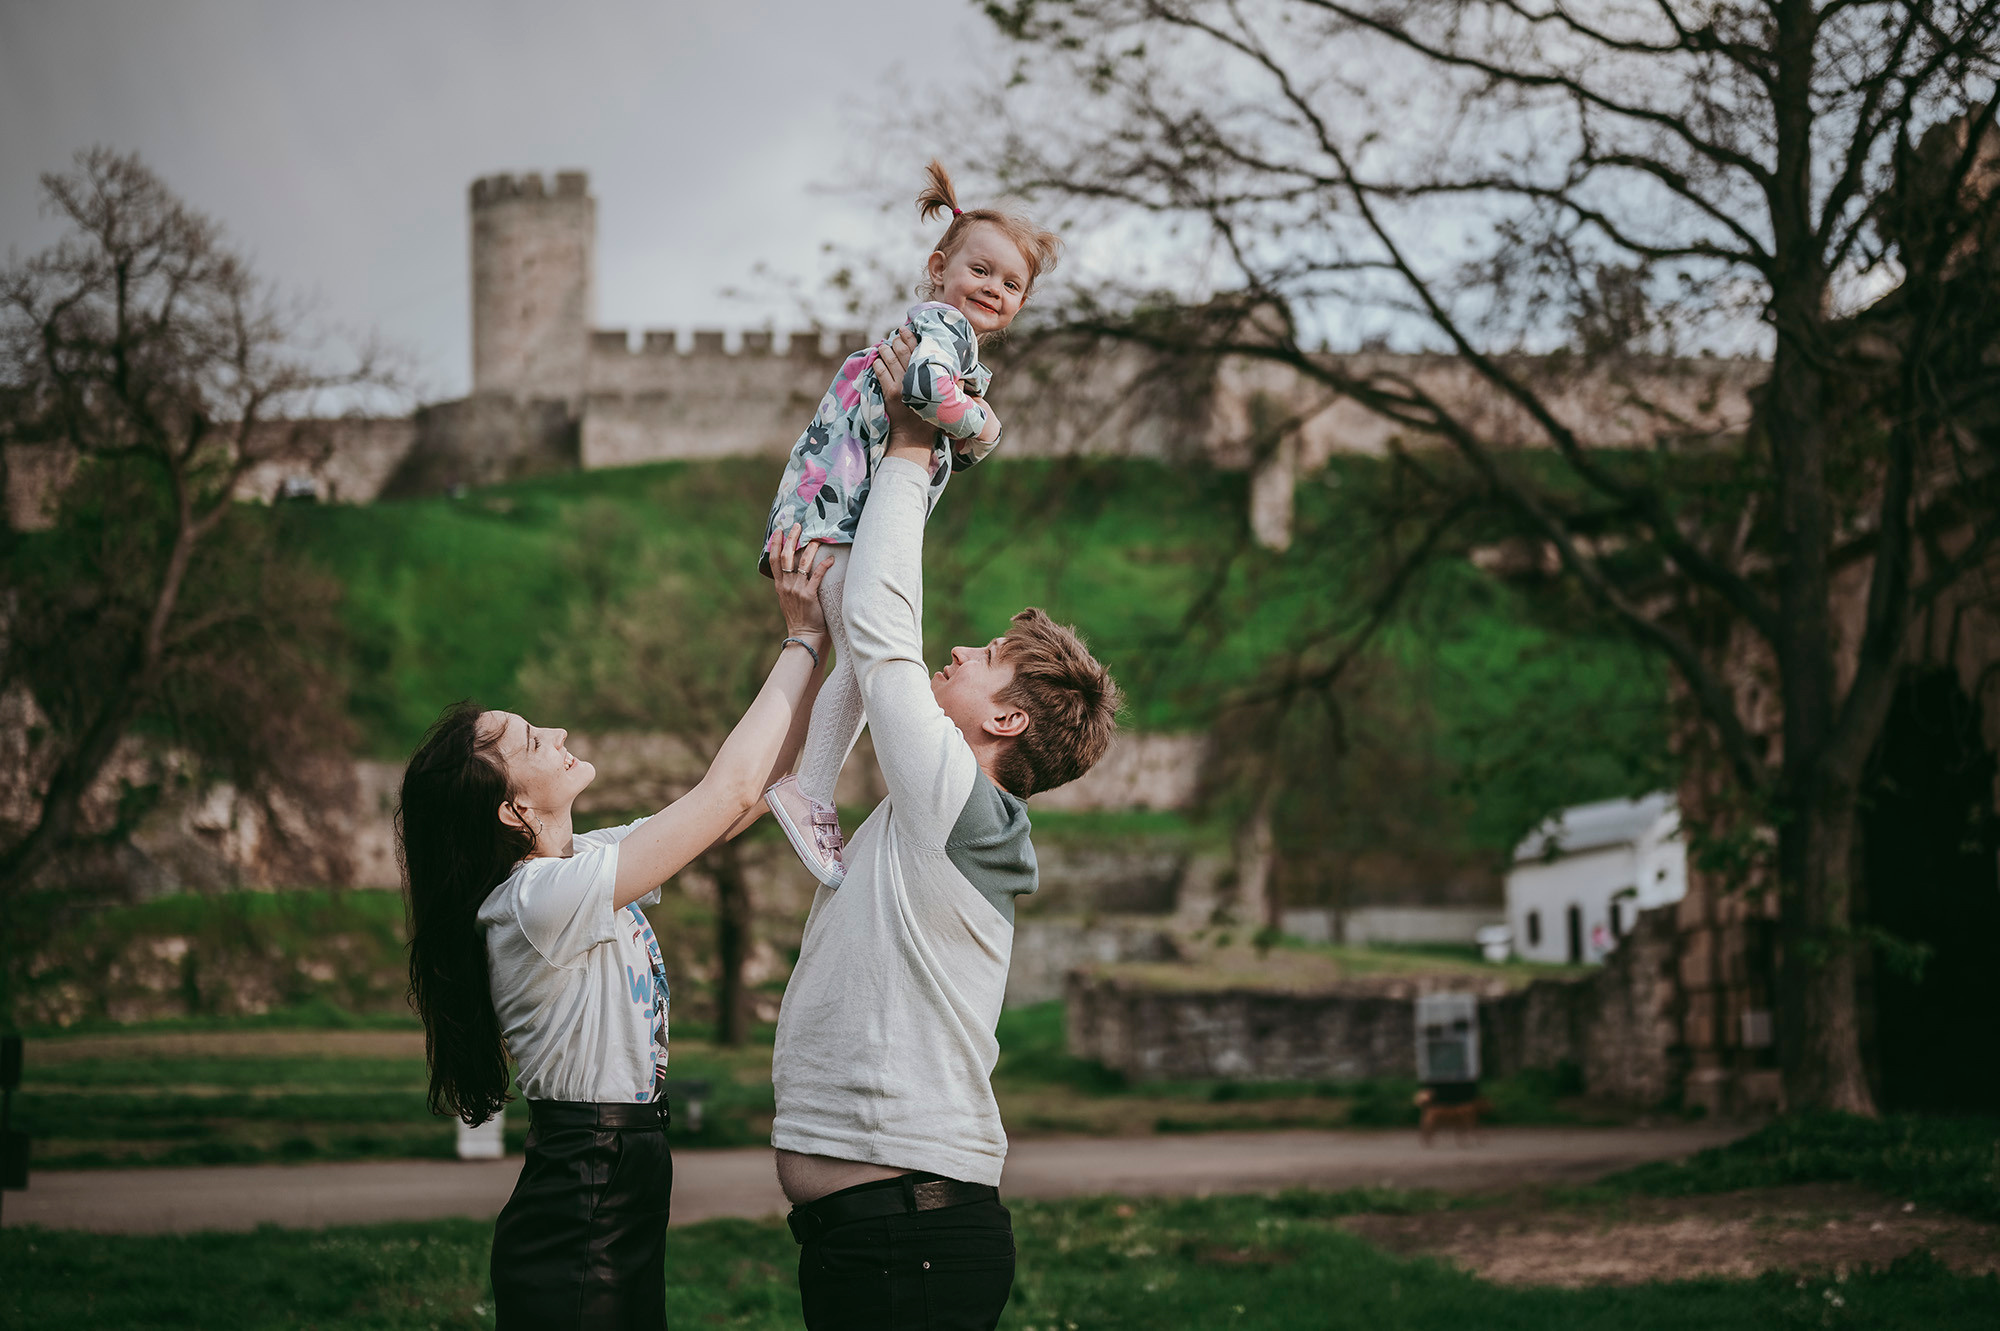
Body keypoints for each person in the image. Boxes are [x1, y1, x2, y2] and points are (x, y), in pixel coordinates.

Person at [396, 525, 833, 1331]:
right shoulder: (538, 900)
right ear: (514, 809)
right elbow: (728, 792)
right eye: (533, 741)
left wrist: (833, 650)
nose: (557, 735)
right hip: (583, 1195)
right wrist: (802, 638)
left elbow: (760, 788)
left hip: (618, 1174)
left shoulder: (579, 866)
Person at [770, 332, 1122, 1331]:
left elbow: (884, 630)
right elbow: (846, 674)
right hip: (883, 1234)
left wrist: (912, 442)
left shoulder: (958, 804)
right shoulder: (933, 815)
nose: (959, 649)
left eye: (988, 657)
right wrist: (804, 629)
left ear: (1003, 720)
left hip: (906, 1237)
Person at [759, 160, 1063, 890]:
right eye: (979, 270)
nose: (992, 288)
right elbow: (923, 390)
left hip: (824, 515)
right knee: (872, 659)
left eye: (1010, 283)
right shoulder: (944, 327)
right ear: (939, 268)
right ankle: (810, 790)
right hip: (832, 520)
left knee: (867, 663)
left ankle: (799, 785)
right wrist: (986, 428)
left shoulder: (951, 334)